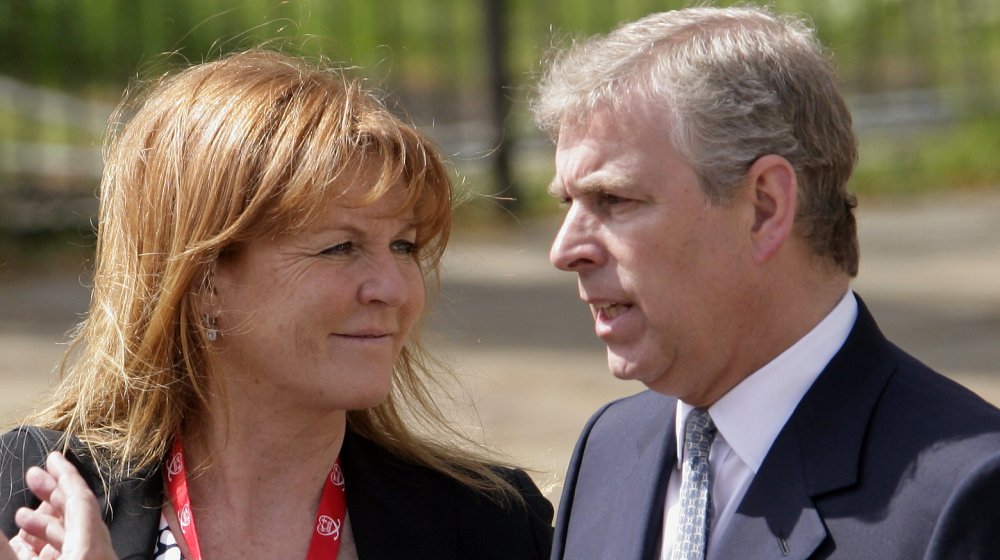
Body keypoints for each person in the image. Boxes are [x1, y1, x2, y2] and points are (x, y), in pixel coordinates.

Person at [0, 49, 552, 559]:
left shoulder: (488, 525)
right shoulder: (32, 493)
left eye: (403, 246)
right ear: (203, 282)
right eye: (341, 247)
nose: (395, 288)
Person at [532, 5, 1000, 559]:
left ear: (764, 208)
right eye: (569, 201)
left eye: (614, 199)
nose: (565, 250)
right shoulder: (608, 451)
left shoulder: (966, 495)